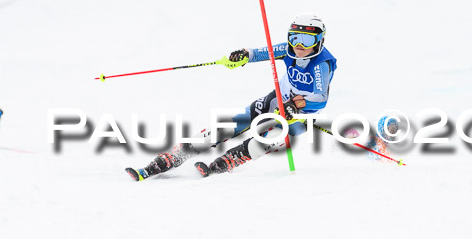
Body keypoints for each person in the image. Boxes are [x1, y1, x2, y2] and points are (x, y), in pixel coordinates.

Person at [125, 13, 337, 181]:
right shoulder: (288, 50)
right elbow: (259, 53)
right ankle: (174, 156)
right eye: (294, 37)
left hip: (301, 115)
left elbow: (321, 97)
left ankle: (229, 161)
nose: (299, 45)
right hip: (277, 100)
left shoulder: (321, 63)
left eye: (306, 39)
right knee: (235, 123)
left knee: (265, 141)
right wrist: (242, 55)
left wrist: (297, 106)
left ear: (319, 40)